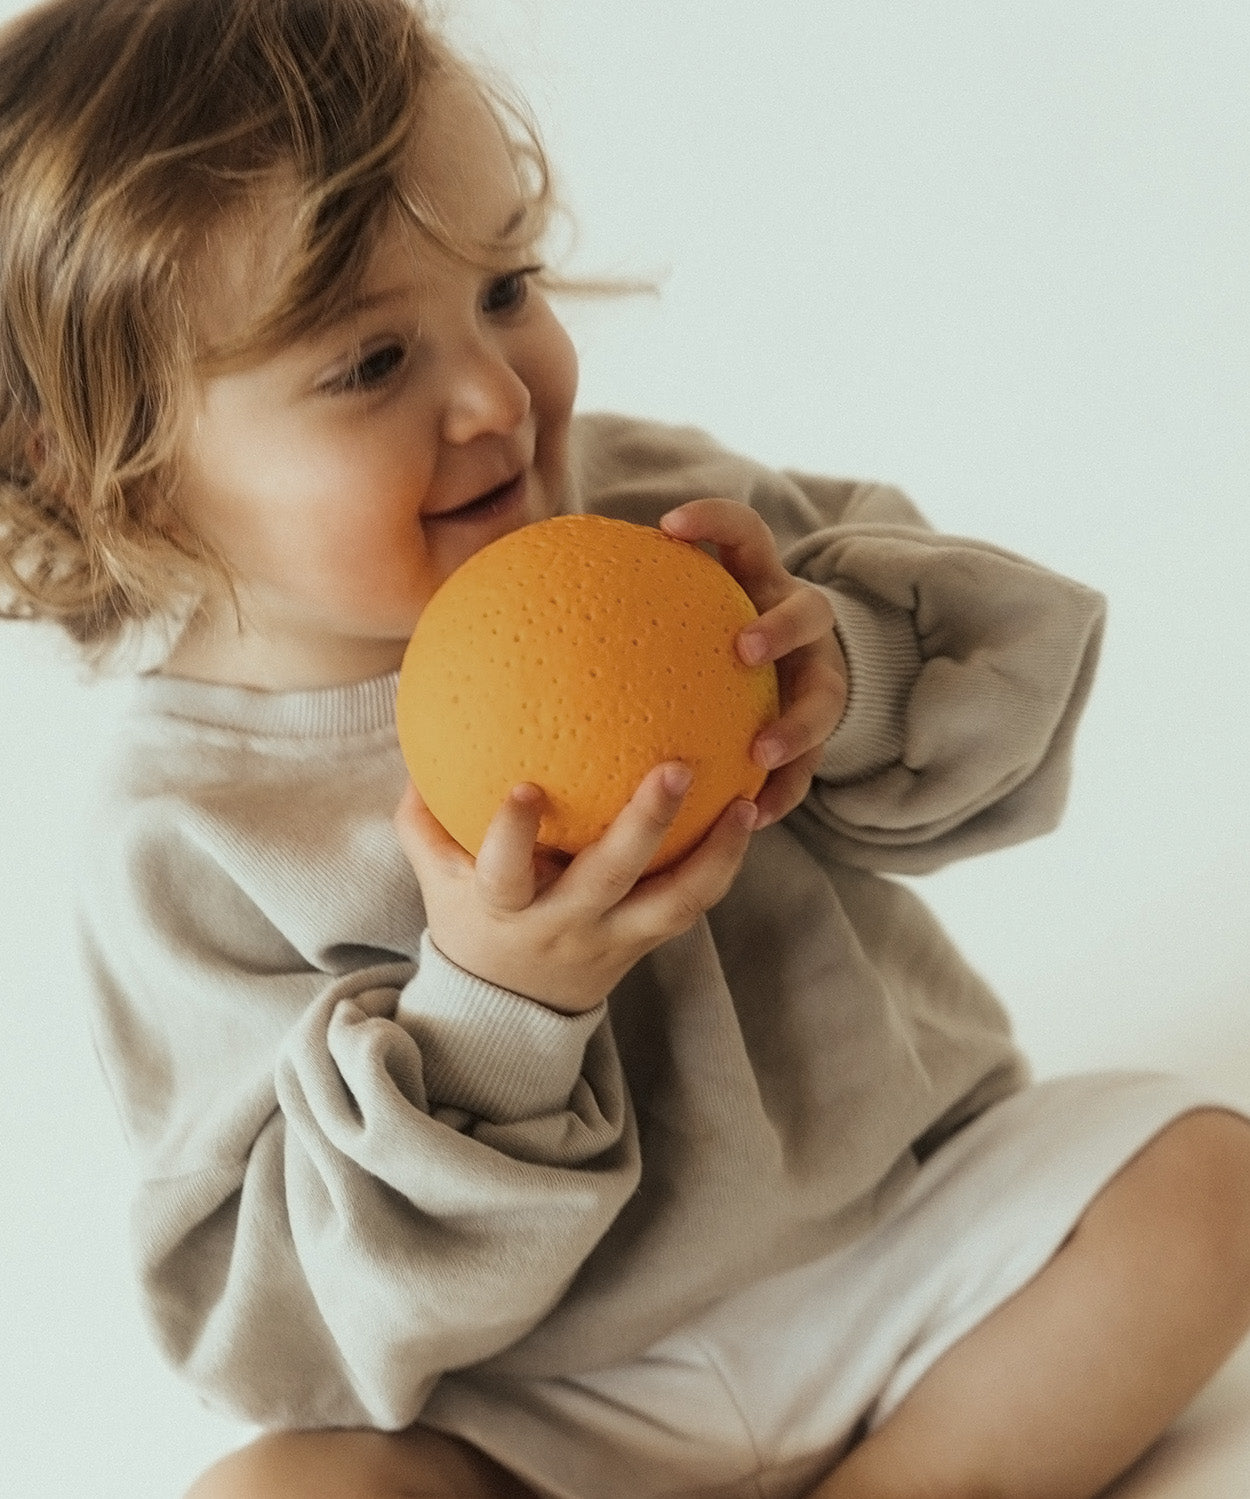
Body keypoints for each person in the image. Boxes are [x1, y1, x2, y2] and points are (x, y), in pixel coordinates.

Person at [2, 1, 1249, 1496]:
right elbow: (278, 1332)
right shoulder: (185, 832)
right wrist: (497, 1012)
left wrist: (833, 668)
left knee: (1206, 1187)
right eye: (370, 360)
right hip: (541, 1406)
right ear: (110, 470)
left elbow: (1018, 675)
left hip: (896, 1236)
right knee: (281, 1490)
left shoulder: (662, 529)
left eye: (505, 284)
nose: (498, 395)